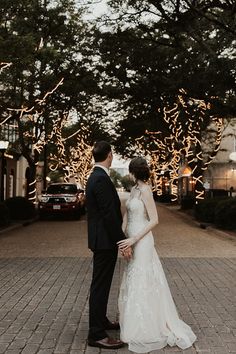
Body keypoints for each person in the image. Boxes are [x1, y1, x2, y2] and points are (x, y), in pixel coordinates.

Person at [117, 157, 197, 353]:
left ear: (135, 171)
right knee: (132, 279)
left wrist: (134, 239)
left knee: (143, 280)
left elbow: (154, 220)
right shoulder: (134, 190)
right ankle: (132, 323)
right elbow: (126, 216)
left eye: (130, 170)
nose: (129, 173)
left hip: (143, 240)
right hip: (130, 240)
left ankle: (148, 326)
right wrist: (123, 241)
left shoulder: (145, 190)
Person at [86, 141, 131, 350]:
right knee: (100, 286)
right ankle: (96, 334)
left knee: (101, 285)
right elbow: (109, 216)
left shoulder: (96, 176)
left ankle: (101, 321)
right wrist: (122, 241)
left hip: (102, 240)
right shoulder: (101, 179)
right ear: (110, 155)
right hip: (104, 241)